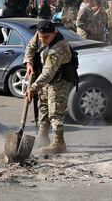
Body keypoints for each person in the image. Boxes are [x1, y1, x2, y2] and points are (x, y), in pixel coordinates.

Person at [24, 20, 72, 154]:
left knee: (55, 110)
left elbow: (48, 73)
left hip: (60, 80)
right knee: (43, 104)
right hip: (47, 79)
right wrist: (28, 62)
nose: (43, 40)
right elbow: (31, 46)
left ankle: (59, 142)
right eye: (41, 37)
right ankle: (43, 136)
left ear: (54, 33)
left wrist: (33, 88)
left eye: (46, 37)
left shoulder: (59, 48)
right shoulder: (40, 35)